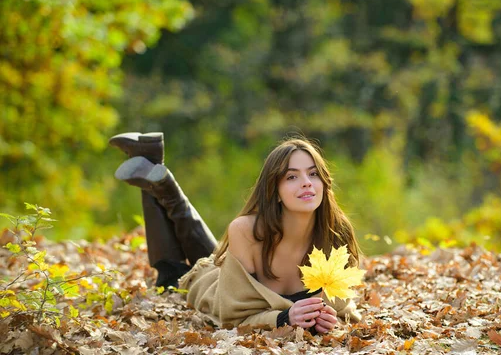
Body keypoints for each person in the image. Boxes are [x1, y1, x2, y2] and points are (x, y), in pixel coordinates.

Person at [109, 132, 362, 333]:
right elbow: (232, 316)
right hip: (212, 291)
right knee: (169, 273)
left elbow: (343, 306)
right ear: (274, 191)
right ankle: (156, 178)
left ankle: (152, 162)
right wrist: (284, 318)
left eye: (313, 173)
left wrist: (329, 321)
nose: (307, 181)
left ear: (324, 182)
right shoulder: (248, 231)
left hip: (227, 273)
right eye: (291, 177)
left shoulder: (336, 233)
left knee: (207, 252)